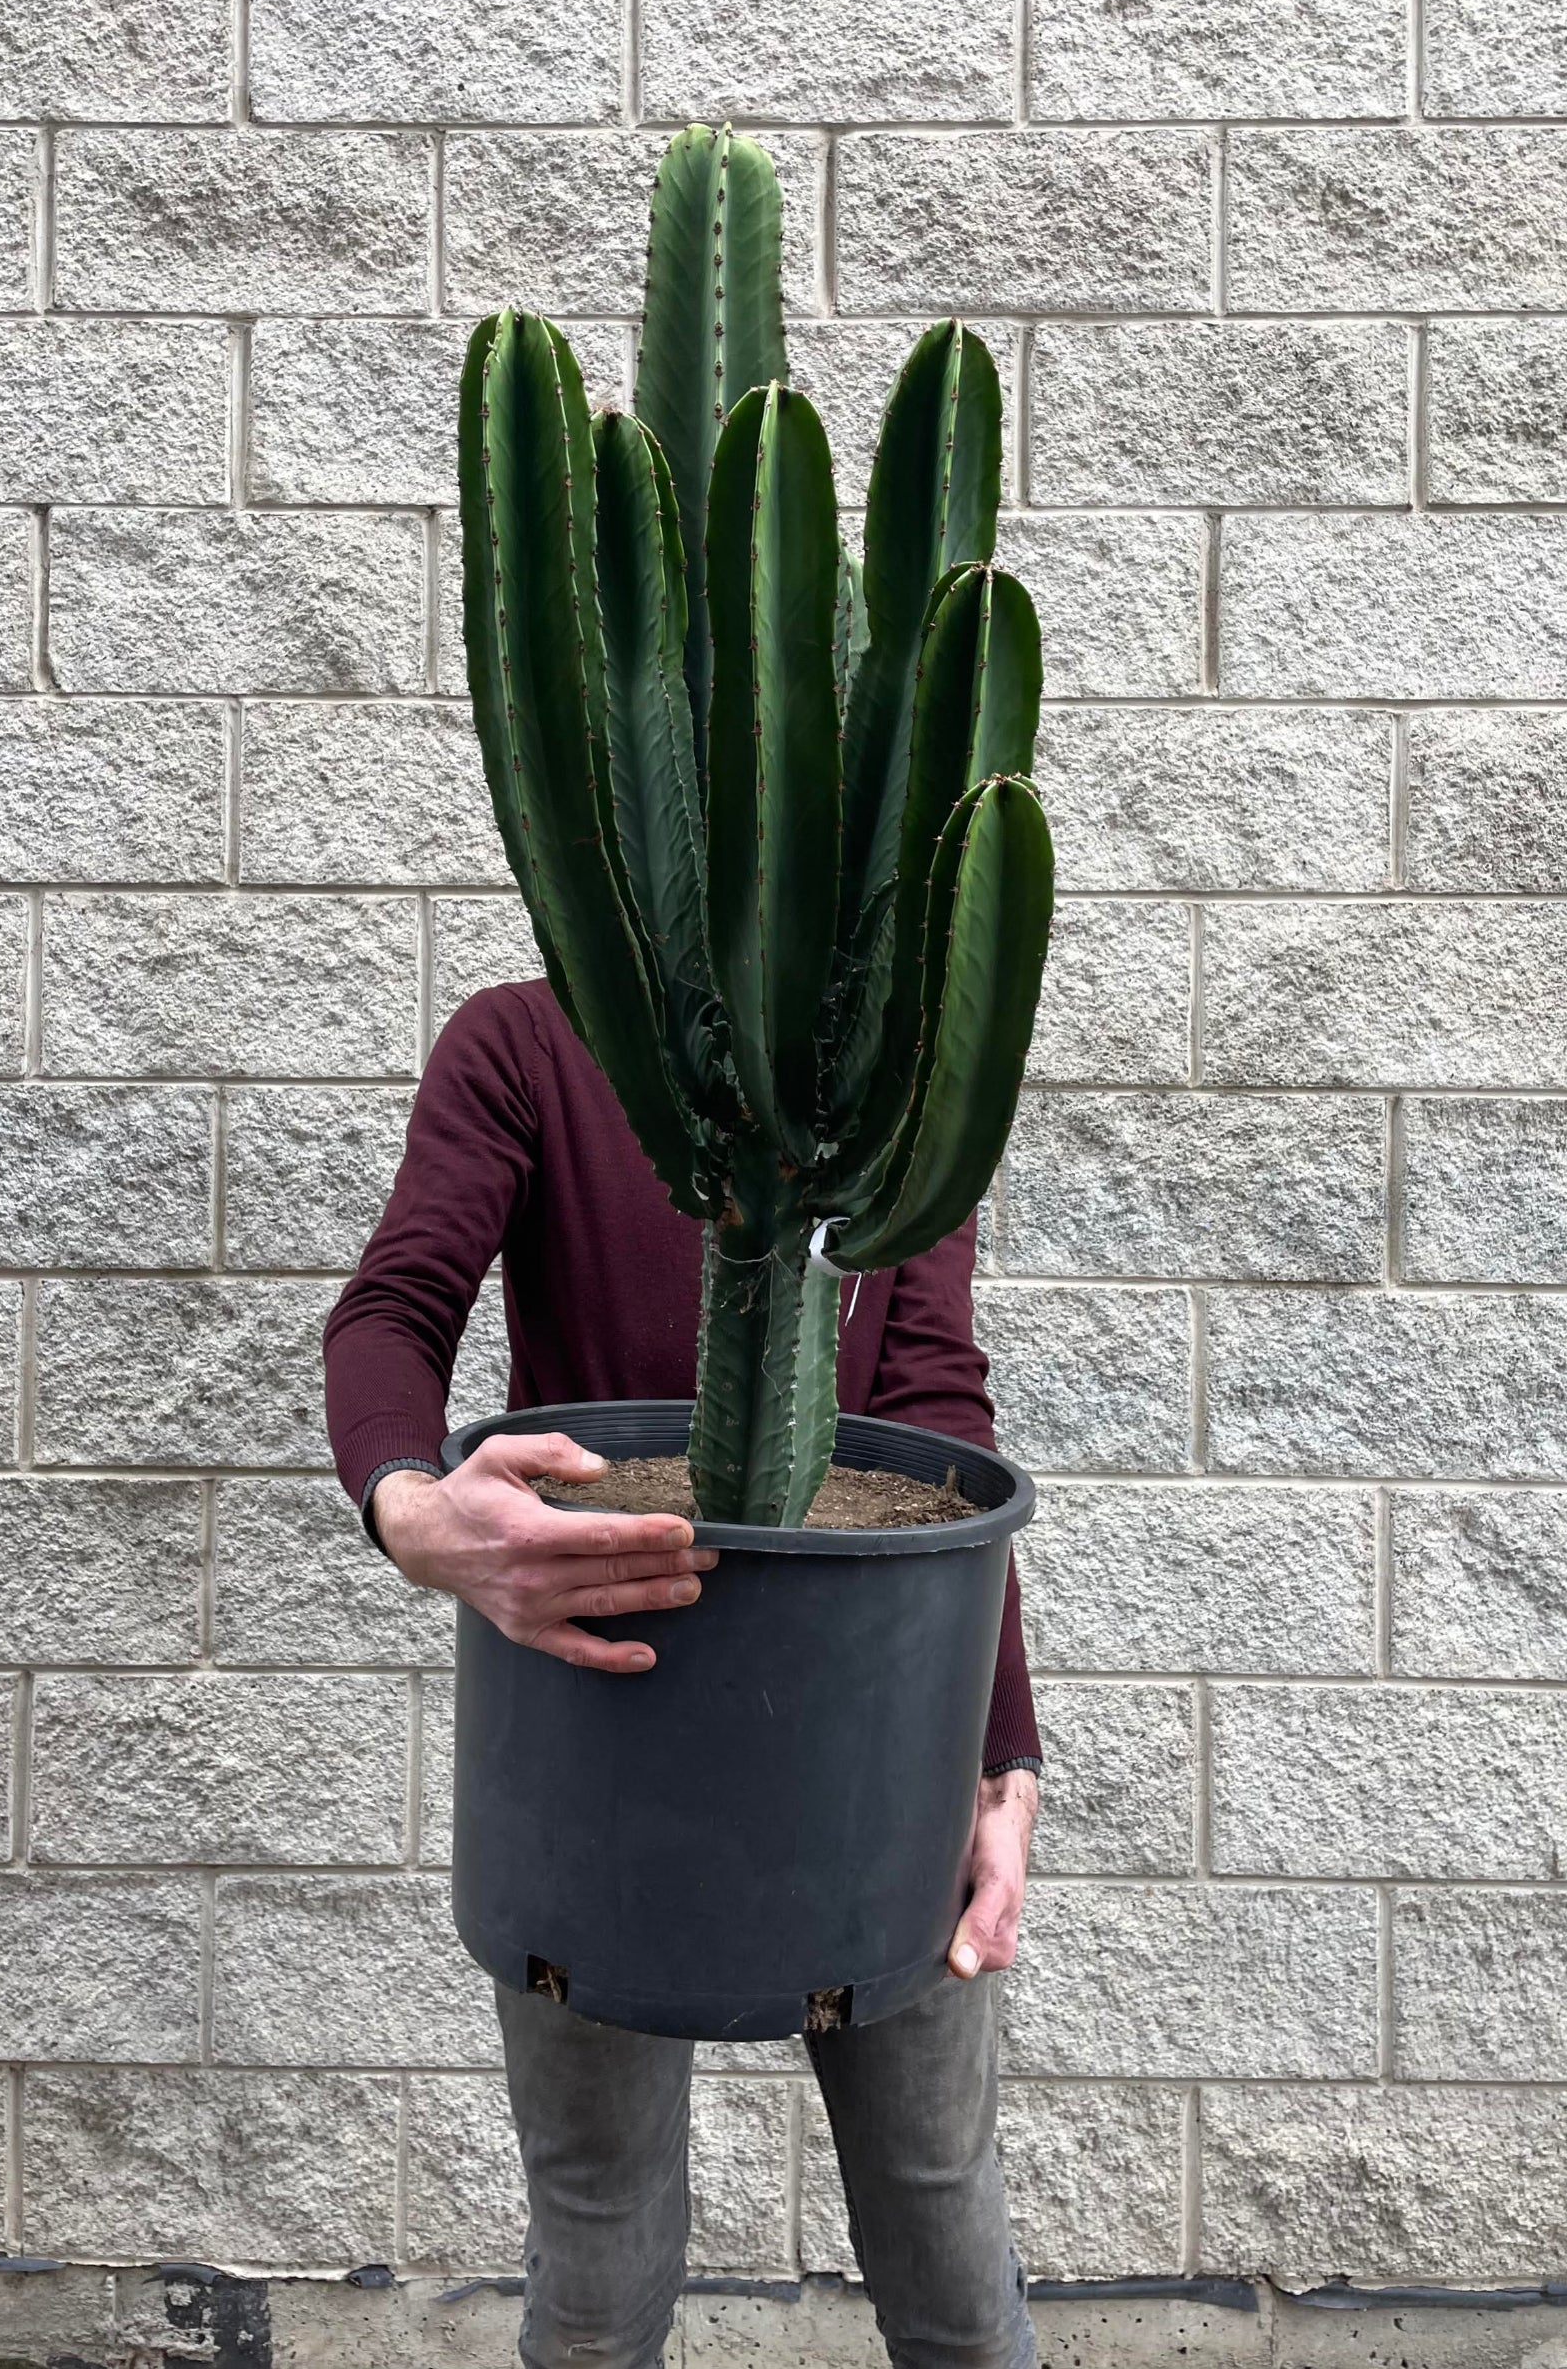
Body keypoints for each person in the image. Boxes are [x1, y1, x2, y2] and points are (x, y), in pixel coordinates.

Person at [324, 975, 1043, 2369]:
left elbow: (935, 1421)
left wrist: (998, 1762)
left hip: (880, 1727)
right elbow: (395, 1307)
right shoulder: (527, 1041)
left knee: (944, 2228)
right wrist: (413, 1510)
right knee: (598, 2258)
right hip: (596, 1712)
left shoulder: (897, 1078)